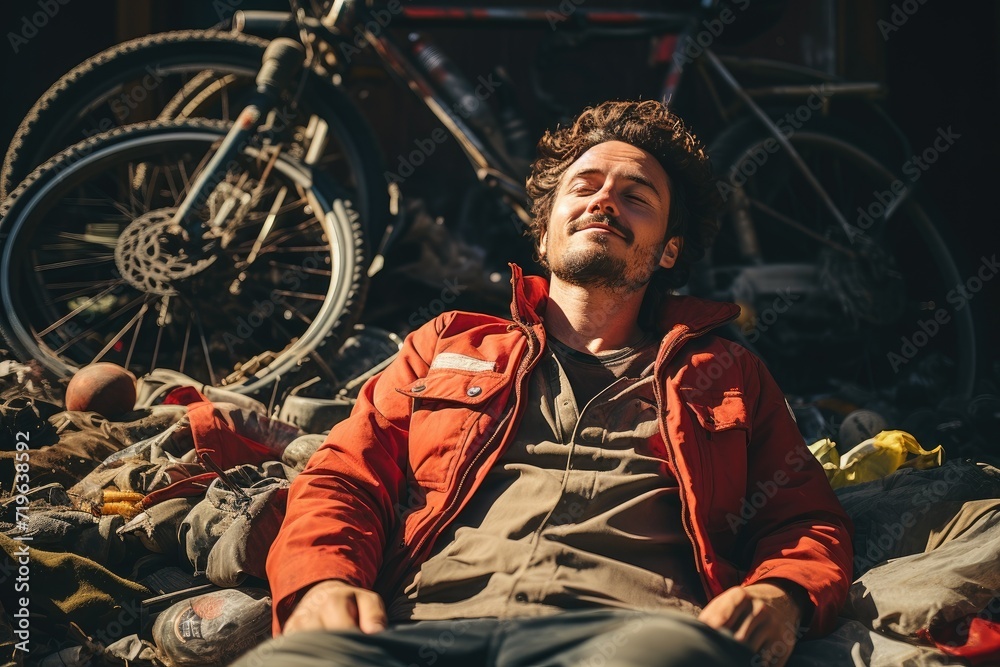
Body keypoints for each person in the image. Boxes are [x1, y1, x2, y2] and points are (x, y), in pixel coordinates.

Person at [234, 100, 853, 667]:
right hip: (418, 631)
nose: (604, 201)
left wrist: (782, 594)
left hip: (630, 640)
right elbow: (345, 477)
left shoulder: (726, 373)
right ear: (545, 230)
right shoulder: (447, 343)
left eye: (636, 196)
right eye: (584, 187)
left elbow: (802, 517)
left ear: (668, 251)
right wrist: (322, 582)